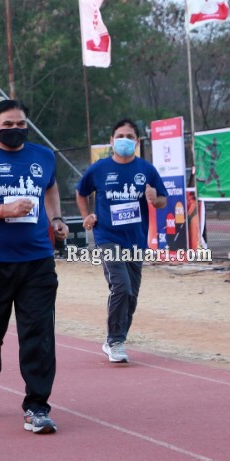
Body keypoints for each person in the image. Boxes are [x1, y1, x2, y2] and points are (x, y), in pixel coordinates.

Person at [0, 99, 68, 435]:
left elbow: (50, 186)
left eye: (21, 125)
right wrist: (3, 210)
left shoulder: (43, 156)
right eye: (8, 125)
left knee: (39, 333)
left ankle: (36, 406)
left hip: (37, 261)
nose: (15, 130)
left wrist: (56, 218)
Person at [76, 118, 168, 364]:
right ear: (111, 141)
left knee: (132, 294)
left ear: (137, 142)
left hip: (136, 240)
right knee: (121, 287)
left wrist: (153, 198)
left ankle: (116, 339)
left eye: (129, 137)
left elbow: (162, 201)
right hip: (107, 237)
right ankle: (115, 341)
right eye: (120, 136)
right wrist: (87, 216)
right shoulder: (99, 169)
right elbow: (81, 191)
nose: (124, 141)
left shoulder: (146, 170)